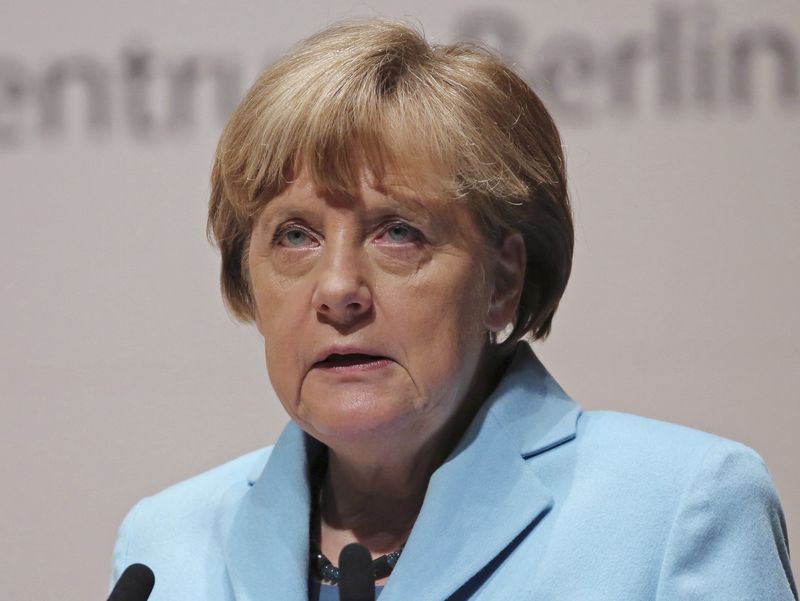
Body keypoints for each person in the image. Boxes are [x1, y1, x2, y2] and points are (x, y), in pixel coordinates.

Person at [109, 18, 797, 601]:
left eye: (398, 231)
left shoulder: (676, 509)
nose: (339, 287)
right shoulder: (167, 545)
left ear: (502, 278)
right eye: (295, 235)